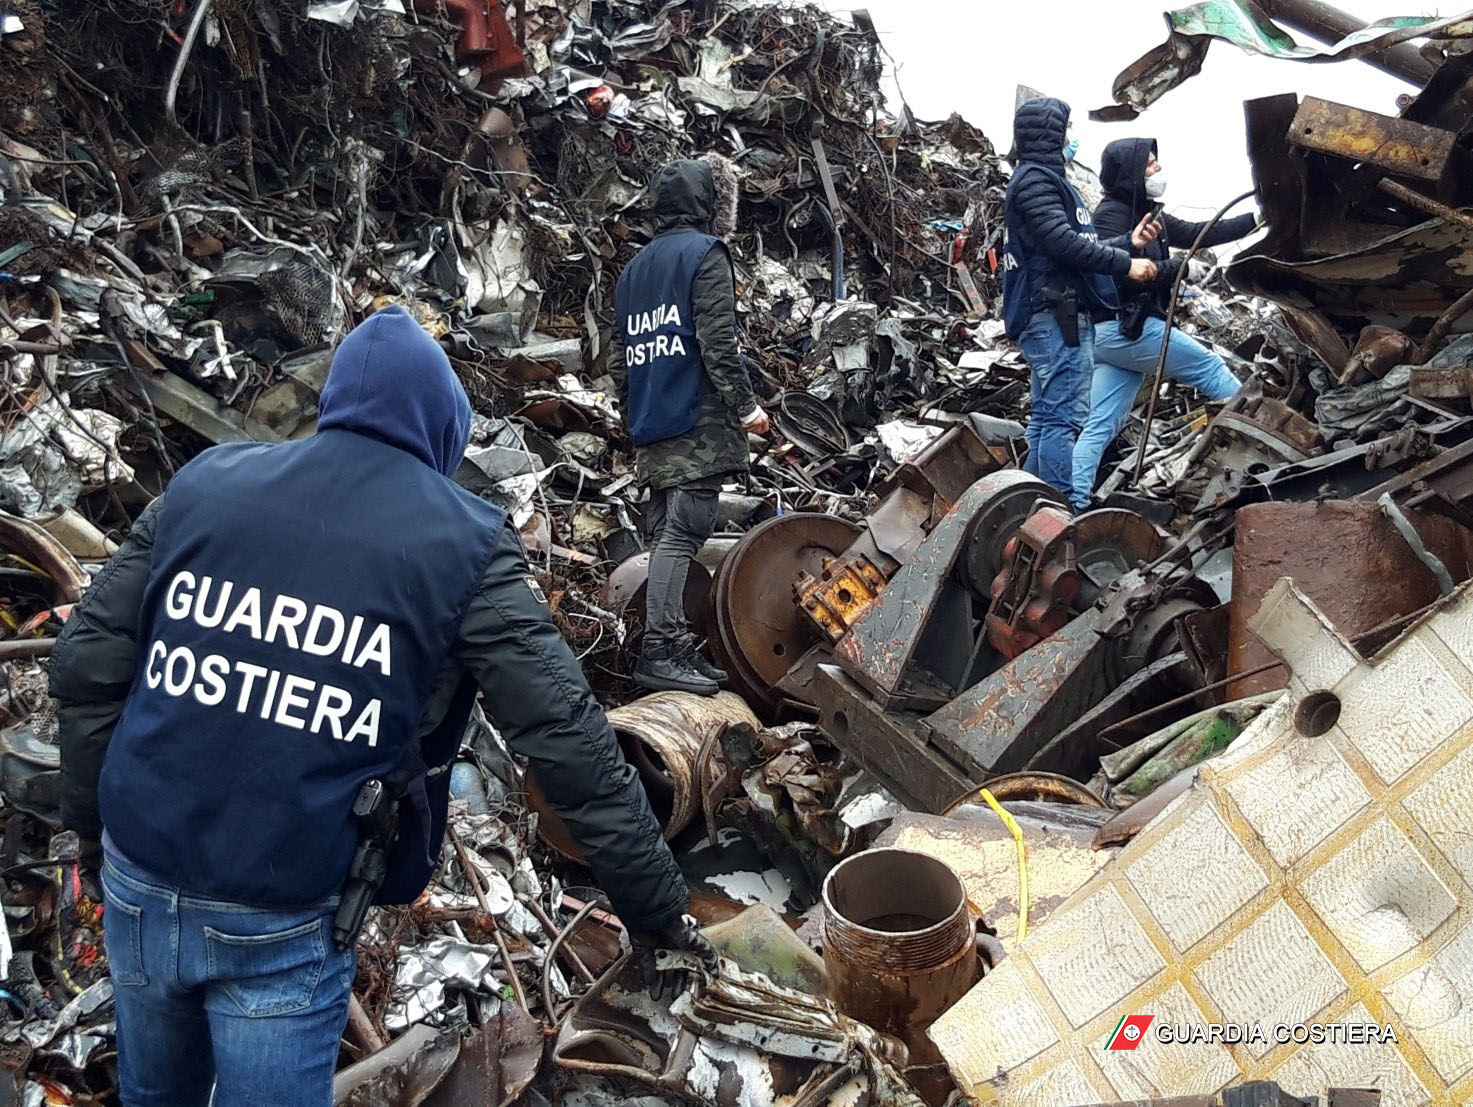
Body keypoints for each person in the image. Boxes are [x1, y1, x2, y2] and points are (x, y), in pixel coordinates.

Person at [50, 305, 715, 1107]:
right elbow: (567, 740)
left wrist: (91, 829)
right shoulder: (463, 542)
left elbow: (86, 665)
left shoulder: (204, 483)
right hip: (281, 913)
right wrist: (657, 912)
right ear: (443, 429)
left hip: (139, 873)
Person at [609, 155, 768, 697]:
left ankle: (672, 646)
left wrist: (636, 410)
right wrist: (747, 409)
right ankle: (661, 650)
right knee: (685, 531)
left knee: (665, 534)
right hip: (696, 422)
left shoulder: (634, 271)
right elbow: (718, 342)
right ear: (708, 203)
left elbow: (619, 360)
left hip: (651, 420)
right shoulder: (705, 253)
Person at [1071, 138, 1258, 510]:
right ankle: (1260, 437)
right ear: (1129, 172)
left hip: (1112, 337)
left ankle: (1071, 501)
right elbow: (1113, 273)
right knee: (1209, 367)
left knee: (1100, 424)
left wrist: (1256, 219)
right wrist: (1178, 269)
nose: (1157, 170)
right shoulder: (1111, 215)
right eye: (1149, 164)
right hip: (1127, 328)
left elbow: (1201, 232)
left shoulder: (1150, 213)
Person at [1002, 97, 1160, 500]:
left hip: (1054, 312)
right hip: (1056, 314)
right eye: (1066, 129)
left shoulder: (1041, 180)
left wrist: (1128, 242)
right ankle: (1059, 508)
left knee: (1046, 418)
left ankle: (1027, 505)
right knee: (1063, 419)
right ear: (1051, 133)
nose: (1069, 138)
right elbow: (1062, 244)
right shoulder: (1036, 181)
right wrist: (1126, 264)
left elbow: (1075, 242)